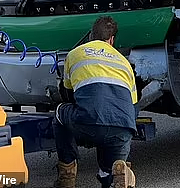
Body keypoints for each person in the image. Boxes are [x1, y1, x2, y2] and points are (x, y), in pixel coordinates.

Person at [53, 16, 138, 188]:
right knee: (109, 169)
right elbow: (133, 104)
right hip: (123, 127)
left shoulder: (75, 54)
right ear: (111, 39)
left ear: (91, 35)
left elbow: (67, 92)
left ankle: (67, 175)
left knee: (60, 112)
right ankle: (118, 170)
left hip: (89, 120)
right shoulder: (124, 62)